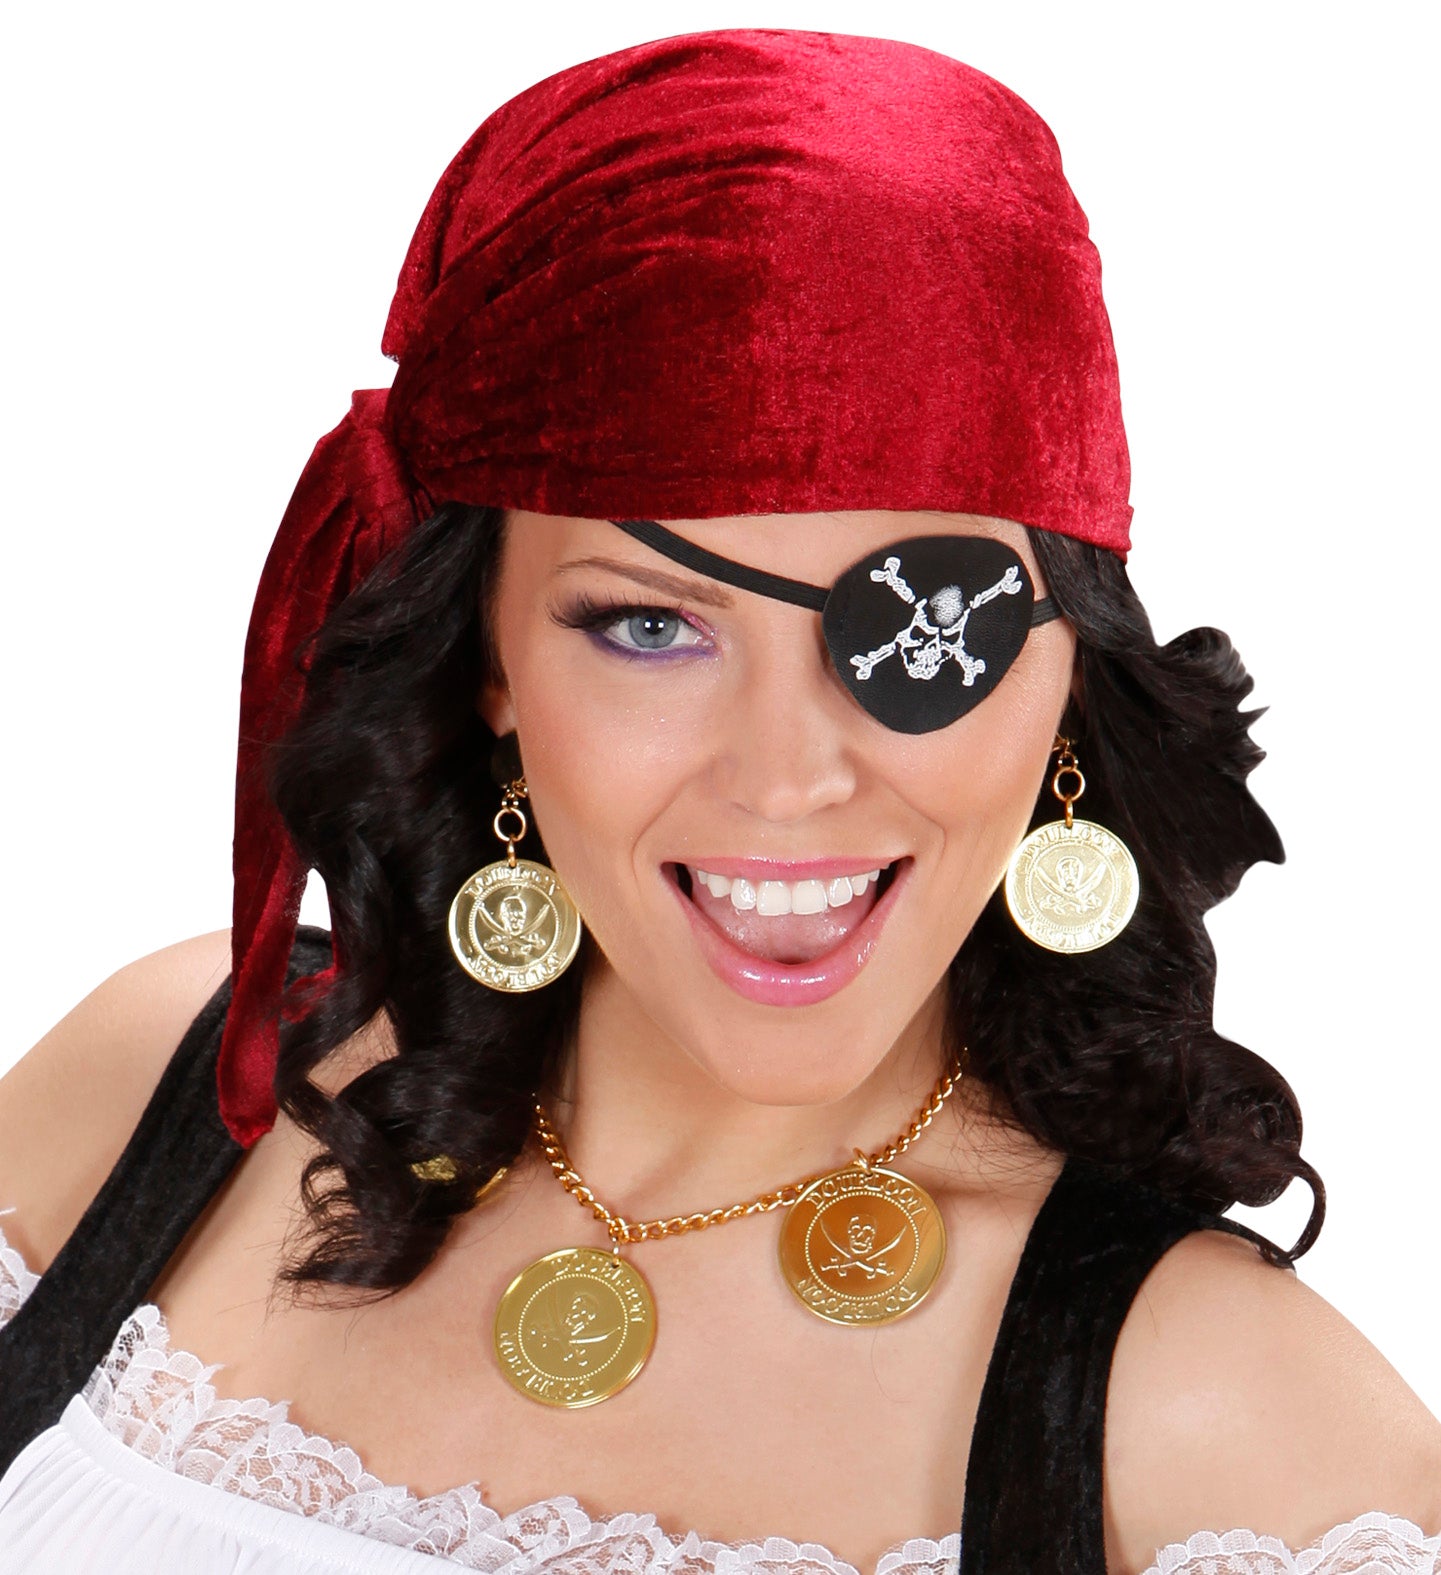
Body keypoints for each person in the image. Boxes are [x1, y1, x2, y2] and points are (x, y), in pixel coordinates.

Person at [0, 26, 1438, 1575]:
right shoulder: (176, 1086)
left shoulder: (1230, 1436)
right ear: (486, 658)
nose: (787, 775)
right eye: (648, 627)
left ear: (1064, 676)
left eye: (916, 629)